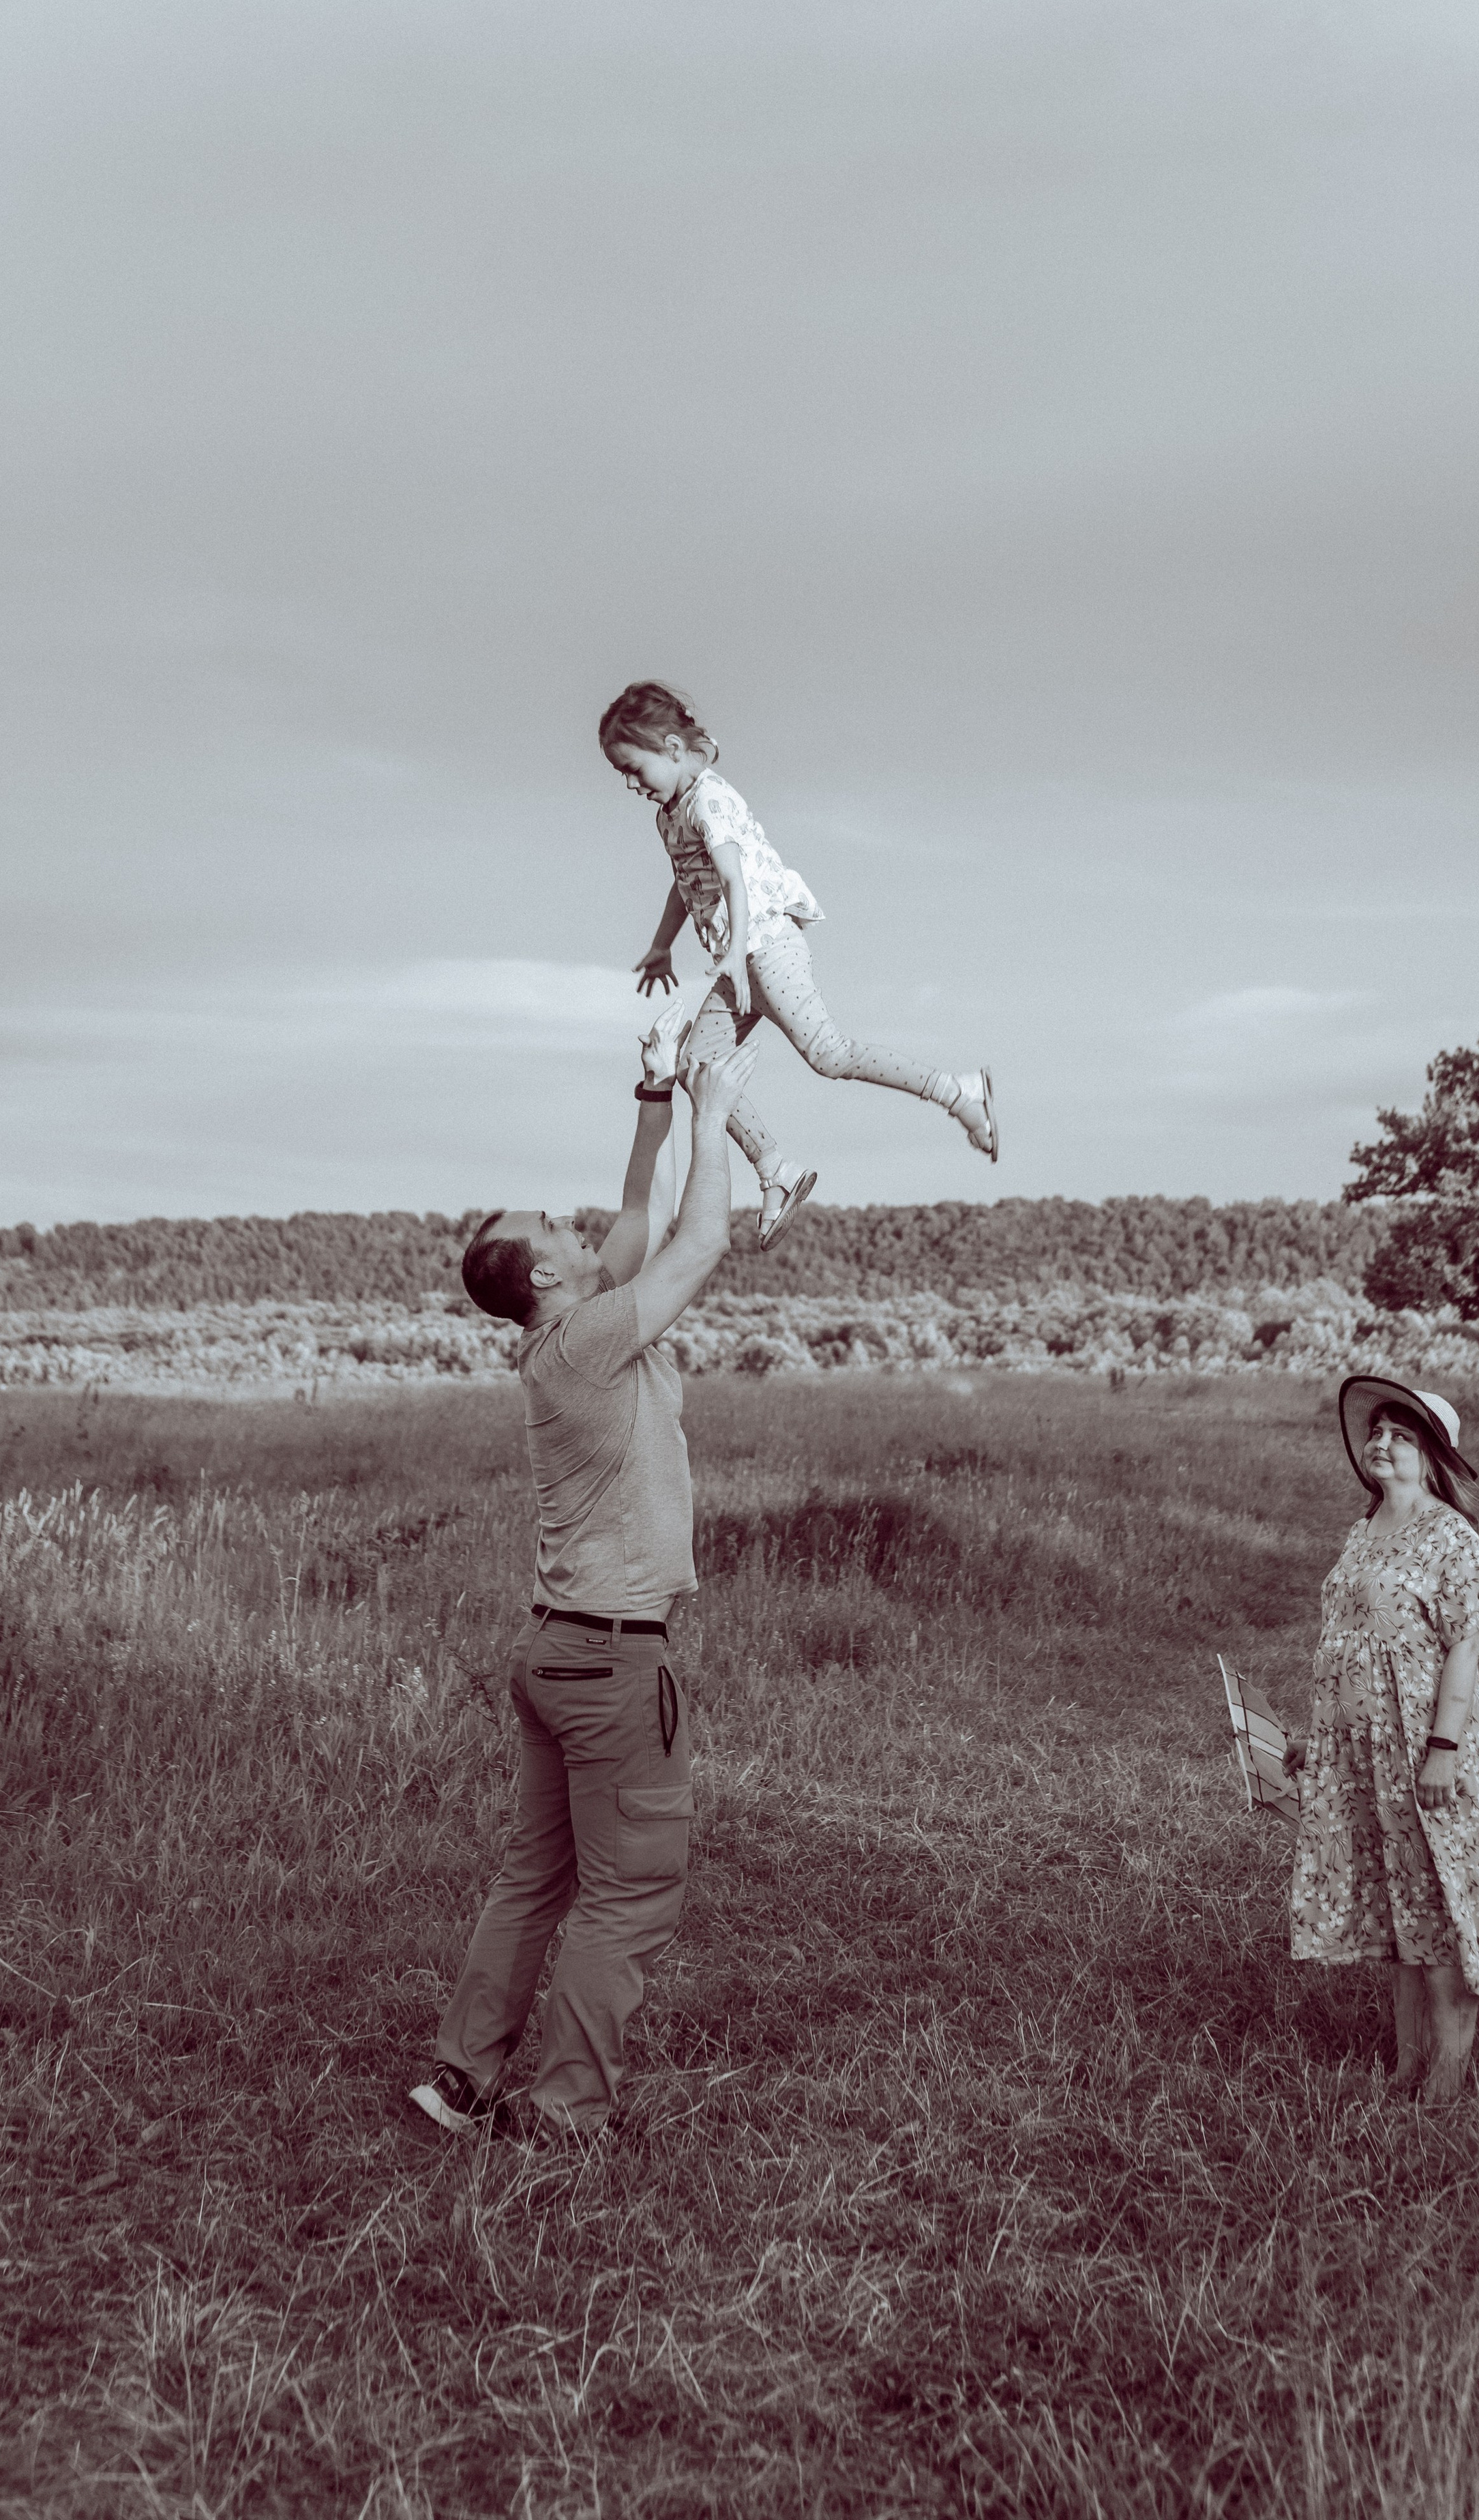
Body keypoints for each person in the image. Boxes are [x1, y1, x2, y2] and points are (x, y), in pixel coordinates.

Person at [408, 1021, 758, 2142]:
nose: (571, 1226)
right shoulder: (590, 1343)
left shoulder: (564, 1334)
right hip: (610, 1660)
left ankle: (459, 2080)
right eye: (550, 1228)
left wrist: (653, 1112)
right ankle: (563, 2118)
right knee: (630, 1893)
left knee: (535, 1878)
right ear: (544, 1275)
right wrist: (715, 1105)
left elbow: (633, 1232)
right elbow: (695, 1243)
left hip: (560, 1652)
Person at [599, 679, 998, 1250]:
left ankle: (959, 1093)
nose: (632, 785)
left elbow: (733, 877)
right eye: (623, 775)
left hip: (767, 948)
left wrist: (735, 952)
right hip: (740, 962)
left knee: (829, 1055)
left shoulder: (711, 800)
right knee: (696, 1066)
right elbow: (687, 884)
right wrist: (662, 944)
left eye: (635, 769)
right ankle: (777, 1171)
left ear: (671, 747)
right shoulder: (670, 815)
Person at [1287, 1376, 1479, 2104]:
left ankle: (1449, 2075)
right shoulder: (1360, 1534)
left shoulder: (1449, 1534)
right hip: (1364, 1755)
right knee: (1401, 1913)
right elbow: (1348, 1645)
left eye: (1402, 1434)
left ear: (1433, 1456)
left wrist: (1443, 1749)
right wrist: (1317, 1740)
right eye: (1378, 1432)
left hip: (1425, 1752)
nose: (1382, 1441)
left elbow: (1465, 1645)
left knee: (1439, 1904)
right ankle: (1406, 2063)